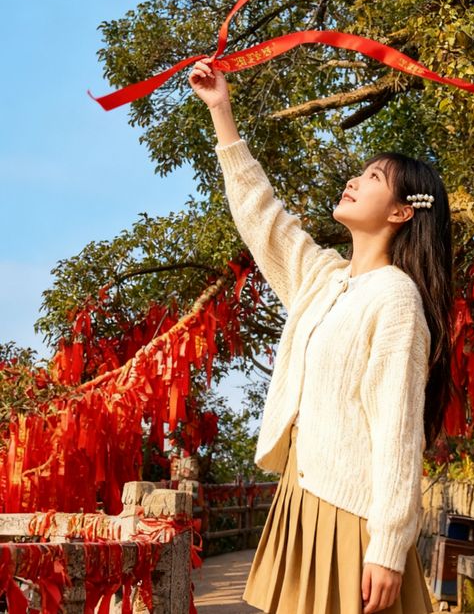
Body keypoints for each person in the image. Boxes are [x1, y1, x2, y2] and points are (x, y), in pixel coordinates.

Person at [188, 60, 453, 614]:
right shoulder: (323, 277)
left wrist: (387, 546)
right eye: (360, 172)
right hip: (300, 499)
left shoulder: (397, 300)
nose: (354, 180)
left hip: (350, 515)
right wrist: (221, 112)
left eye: (373, 178)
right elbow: (262, 218)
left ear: (403, 212)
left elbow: (399, 433)